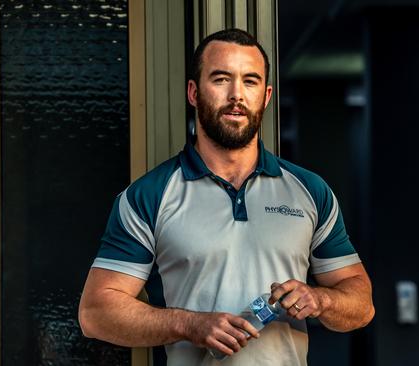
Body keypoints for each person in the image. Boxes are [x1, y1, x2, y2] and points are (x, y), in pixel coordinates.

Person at [78, 28, 374, 366]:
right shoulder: (149, 195)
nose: (237, 95)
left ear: (265, 96)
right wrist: (189, 324)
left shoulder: (309, 191)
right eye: (221, 79)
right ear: (193, 92)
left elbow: (361, 304)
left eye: (250, 81)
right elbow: (96, 312)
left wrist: (320, 299)